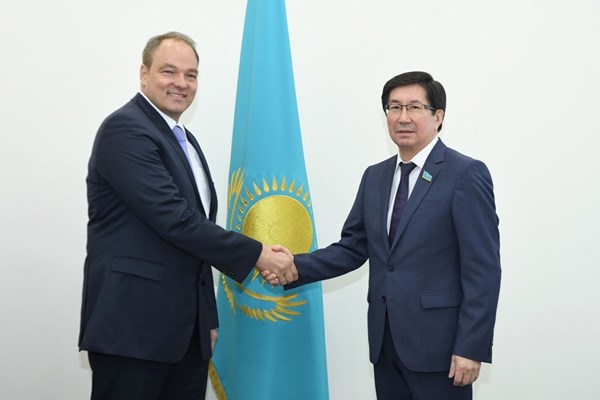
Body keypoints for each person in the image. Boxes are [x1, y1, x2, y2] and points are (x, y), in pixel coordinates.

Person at [78, 31, 296, 400]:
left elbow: (197, 238)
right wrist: (258, 254)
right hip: (132, 332)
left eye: (191, 75)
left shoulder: (184, 140)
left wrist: (204, 320)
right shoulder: (125, 130)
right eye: (169, 71)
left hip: (186, 338)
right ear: (144, 74)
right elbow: (175, 220)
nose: (181, 83)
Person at [272, 71, 501, 399]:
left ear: (438, 117)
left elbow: (483, 269)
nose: (403, 117)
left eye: (414, 107)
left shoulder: (464, 173)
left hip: (442, 351)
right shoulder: (375, 176)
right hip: (386, 345)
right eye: (394, 108)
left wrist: (471, 346)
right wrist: (294, 265)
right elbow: (353, 248)